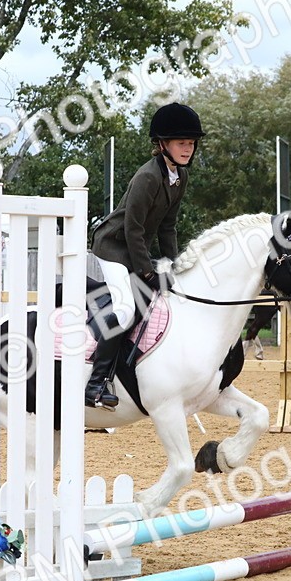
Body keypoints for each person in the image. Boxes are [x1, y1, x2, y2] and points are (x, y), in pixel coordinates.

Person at [86, 101, 206, 409]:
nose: (188, 148)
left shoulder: (180, 177)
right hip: (112, 247)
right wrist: (148, 272)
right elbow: (132, 229)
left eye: (191, 143)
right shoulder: (148, 177)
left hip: (135, 247)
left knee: (167, 294)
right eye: (182, 143)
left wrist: (176, 265)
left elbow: (168, 227)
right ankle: (96, 383)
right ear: (163, 144)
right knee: (127, 310)